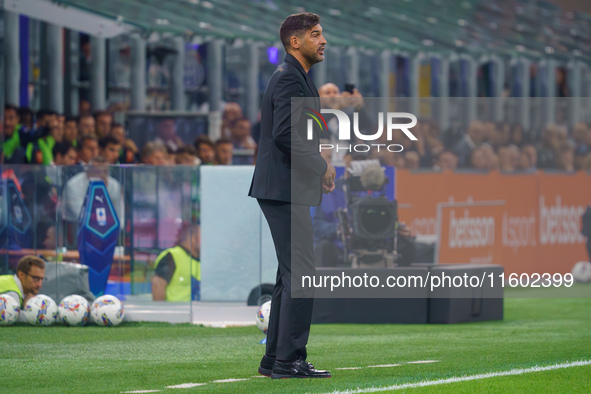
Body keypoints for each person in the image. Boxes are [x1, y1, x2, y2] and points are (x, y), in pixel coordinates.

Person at [248, 12, 334, 379]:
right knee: (302, 273)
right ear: (295, 42)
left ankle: (275, 359)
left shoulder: (296, 78)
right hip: (283, 188)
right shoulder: (288, 80)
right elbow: (285, 134)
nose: (323, 40)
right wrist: (320, 166)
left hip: (285, 187)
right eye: (315, 35)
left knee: (290, 274)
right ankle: (289, 360)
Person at [151, 224, 201, 302]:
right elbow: (158, 286)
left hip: (201, 311)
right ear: (193, 236)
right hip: (176, 312)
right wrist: (161, 312)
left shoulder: (203, 260)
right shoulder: (171, 257)